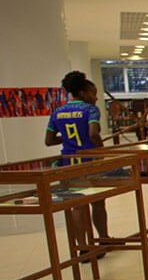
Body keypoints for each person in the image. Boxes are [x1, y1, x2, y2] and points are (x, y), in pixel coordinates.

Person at [45, 71, 112, 251]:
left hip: (69, 163)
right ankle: (103, 238)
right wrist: (101, 150)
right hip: (89, 161)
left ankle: (82, 246)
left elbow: (49, 140)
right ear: (83, 92)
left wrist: (68, 139)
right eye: (93, 93)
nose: (95, 98)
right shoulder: (90, 110)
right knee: (98, 201)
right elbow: (93, 133)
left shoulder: (57, 112)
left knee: (77, 205)